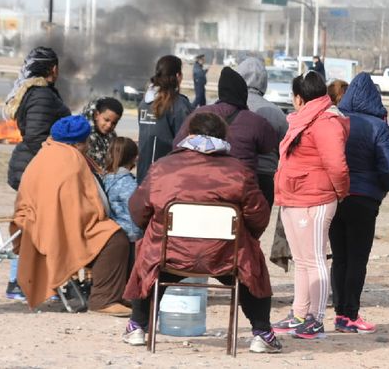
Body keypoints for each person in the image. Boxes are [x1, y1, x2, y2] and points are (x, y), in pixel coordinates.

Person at [122, 112, 281, 354]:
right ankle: (262, 334)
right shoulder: (239, 170)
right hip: (225, 255)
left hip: (169, 252)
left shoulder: (162, 167)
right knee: (251, 264)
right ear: (224, 137)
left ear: (189, 134)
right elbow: (259, 216)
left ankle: (137, 327)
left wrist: (154, 228)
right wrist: (247, 237)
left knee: (149, 260)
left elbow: (138, 209)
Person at [10, 115, 131, 316]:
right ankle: (103, 300)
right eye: (86, 142)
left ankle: (112, 293)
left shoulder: (46, 151)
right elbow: (81, 207)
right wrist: (102, 216)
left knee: (110, 233)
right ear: (79, 142)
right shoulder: (71, 160)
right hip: (49, 228)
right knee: (115, 238)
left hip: (34, 222)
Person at [271, 71, 350, 340]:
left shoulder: (326, 121)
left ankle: (316, 318)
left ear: (298, 98)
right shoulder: (302, 119)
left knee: (315, 260)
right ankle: (299, 314)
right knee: (302, 261)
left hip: (315, 199)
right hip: (294, 198)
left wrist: (339, 193)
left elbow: (337, 166)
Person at [329, 72, 389, 334]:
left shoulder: (335, 121)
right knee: (357, 259)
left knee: (339, 258)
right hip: (365, 200)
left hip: (335, 197)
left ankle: (339, 313)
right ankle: (350, 314)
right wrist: (382, 187)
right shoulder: (377, 126)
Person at [3, 46, 71, 301]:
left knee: (35, 224)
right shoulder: (41, 95)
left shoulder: (39, 92)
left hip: (32, 167)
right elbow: (36, 136)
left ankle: (27, 281)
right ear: (54, 68)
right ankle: (20, 282)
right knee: (32, 225)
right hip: (33, 169)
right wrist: (55, 158)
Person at [235, 58, 292, 271]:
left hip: (233, 178)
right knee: (254, 231)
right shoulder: (276, 113)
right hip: (265, 180)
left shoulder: (227, 107)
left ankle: (236, 267)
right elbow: (286, 148)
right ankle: (248, 268)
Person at [174, 67, 275, 173]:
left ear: (220, 91)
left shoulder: (199, 113)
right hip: (240, 178)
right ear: (243, 93)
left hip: (199, 176)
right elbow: (269, 146)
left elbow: (177, 144)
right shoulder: (256, 121)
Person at [137, 55, 193, 182]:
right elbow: (185, 142)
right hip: (167, 175)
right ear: (178, 76)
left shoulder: (144, 103)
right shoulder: (179, 104)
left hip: (143, 174)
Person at [103, 137, 141, 272]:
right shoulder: (129, 184)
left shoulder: (105, 179)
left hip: (109, 235)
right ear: (134, 158)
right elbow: (137, 210)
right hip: (130, 238)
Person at [81, 97, 124, 170]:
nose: (109, 125)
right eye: (106, 120)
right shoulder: (83, 134)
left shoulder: (111, 135)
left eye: (114, 123)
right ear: (96, 115)